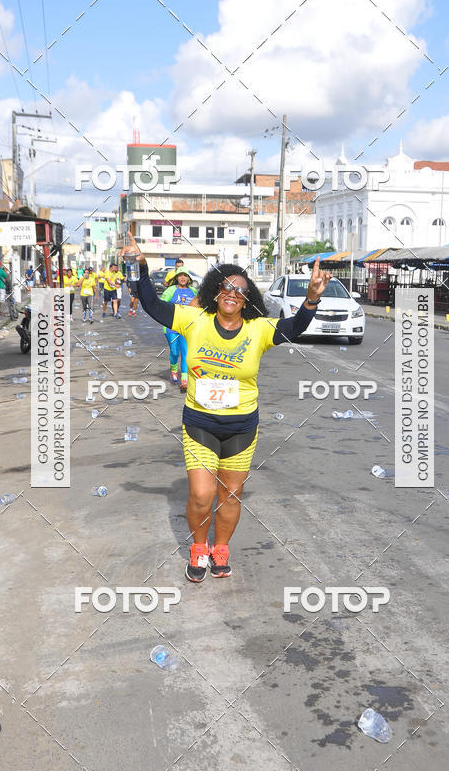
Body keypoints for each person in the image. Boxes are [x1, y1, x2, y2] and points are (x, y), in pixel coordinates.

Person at [124, 232, 332, 583]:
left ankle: (221, 549)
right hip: (201, 423)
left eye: (239, 290)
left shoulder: (259, 329)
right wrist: (140, 267)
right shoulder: (194, 320)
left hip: (242, 428)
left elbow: (294, 328)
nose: (232, 294)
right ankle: (199, 547)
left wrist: (311, 299)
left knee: (231, 494)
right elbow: (152, 306)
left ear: (247, 298)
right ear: (214, 292)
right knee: (202, 494)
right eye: (225, 287)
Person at [160, 267, 197, 390]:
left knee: (186, 353)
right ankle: (174, 369)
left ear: (188, 278)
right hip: (172, 327)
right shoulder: (170, 290)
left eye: (185, 276)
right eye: (180, 275)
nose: (183, 278)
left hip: (187, 328)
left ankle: (184, 380)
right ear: (176, 278)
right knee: (175, 352)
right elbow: (161, 306)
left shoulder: (193, 291)